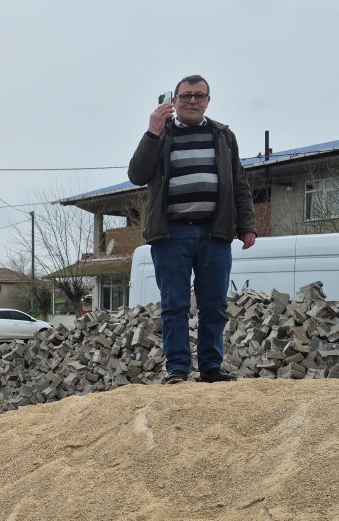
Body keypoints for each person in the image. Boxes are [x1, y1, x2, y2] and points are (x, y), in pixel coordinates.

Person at [127, 74, 257, 384]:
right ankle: (178, 369)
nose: (192, 101)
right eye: (186, 96)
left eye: (199, 95)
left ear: (208, 101)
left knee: (214, 304)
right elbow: (137, 174)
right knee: (175, 305)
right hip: (171, 235)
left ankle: (211, 368)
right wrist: (152, 132)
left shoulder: (224, 136)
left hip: (215, 232)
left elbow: (239, 182)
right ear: (174, 100)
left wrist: (247, 225)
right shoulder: (161, 135)